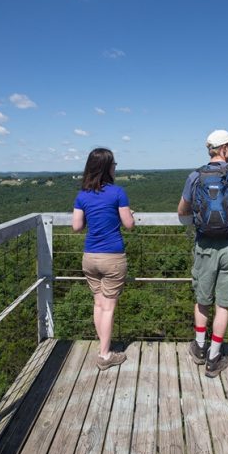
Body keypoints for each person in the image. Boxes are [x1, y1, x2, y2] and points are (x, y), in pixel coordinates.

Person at [177, 129, 228, 378]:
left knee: (202, 298)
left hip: (204, 246)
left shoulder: (195, 177)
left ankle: (199, 348)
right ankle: (214, 356)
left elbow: (182, 211)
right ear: (223, 149)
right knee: (223, 303)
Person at [72, 148, 135, 370]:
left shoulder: (82, 195)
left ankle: (102, 347)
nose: (115, 167)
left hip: (90, 257)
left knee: (98, 303)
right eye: (114, 164)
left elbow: (77, 227)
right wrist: (129, 216)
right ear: (108, 167)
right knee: (108, 307)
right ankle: (105, 355)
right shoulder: (118, 192)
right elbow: (129, 224)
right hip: (113, 257)